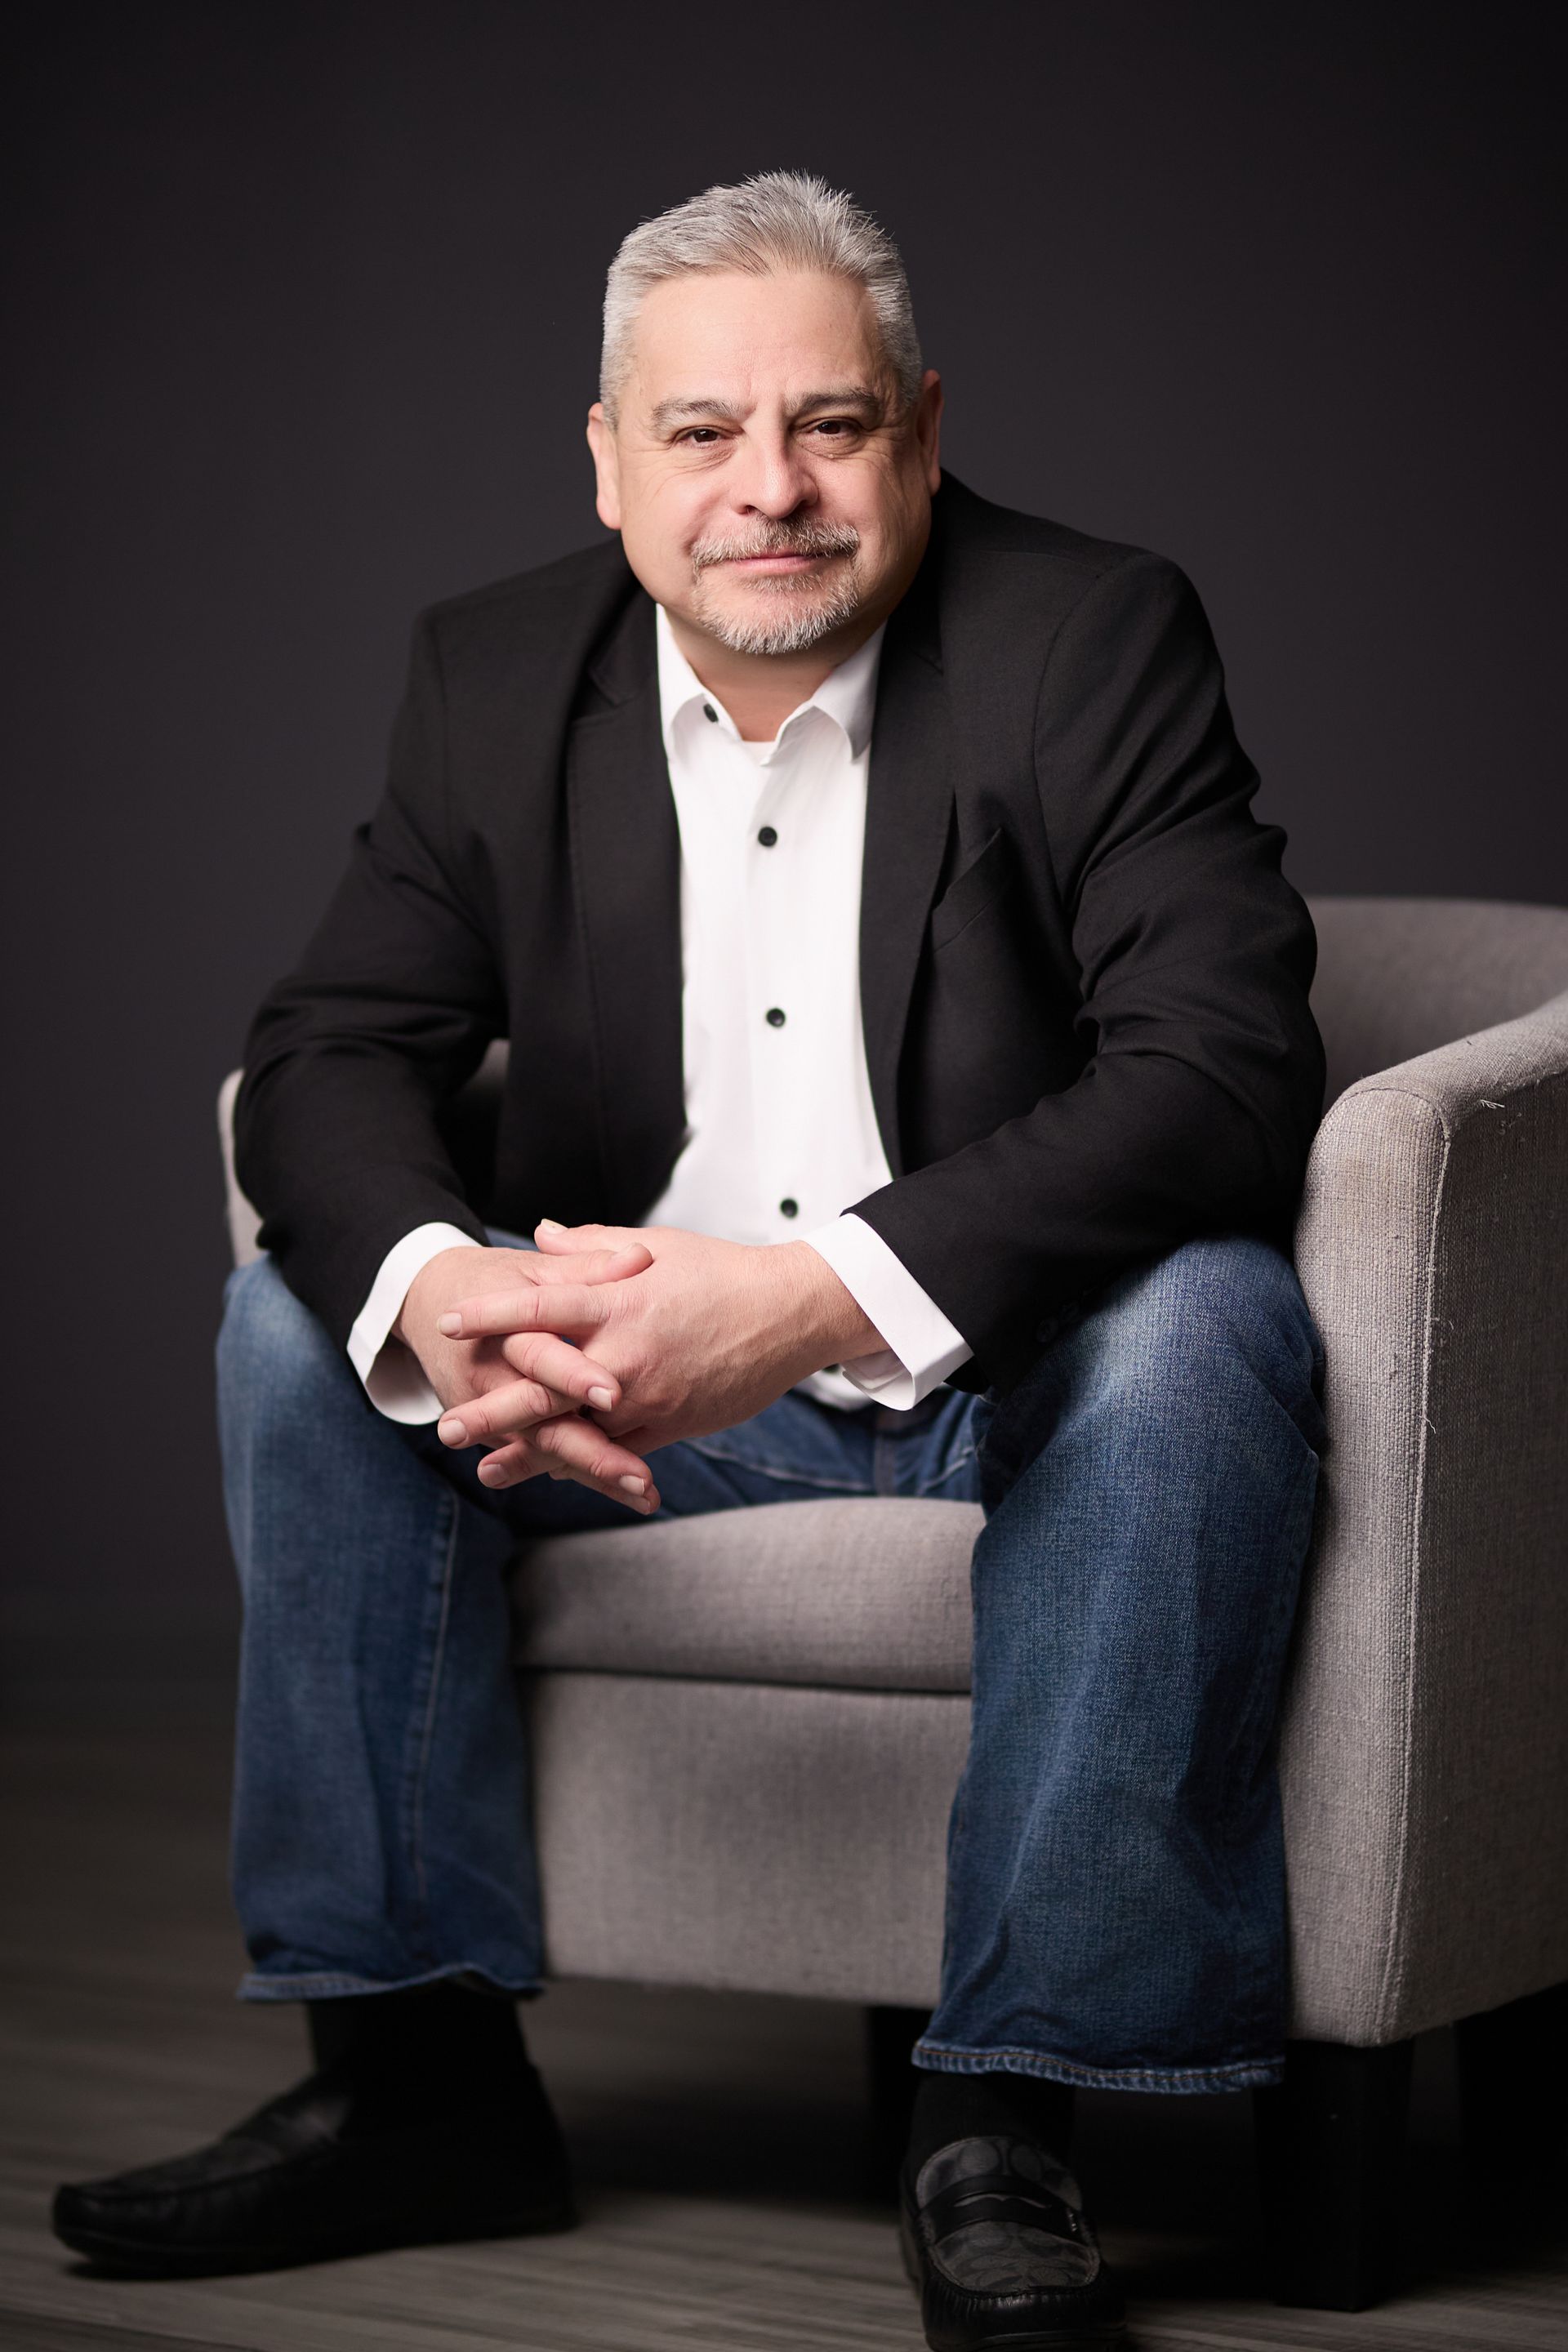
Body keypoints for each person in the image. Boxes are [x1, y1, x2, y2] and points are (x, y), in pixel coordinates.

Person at [54, 172, 1325, 2350]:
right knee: (302, 1326)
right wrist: (444, 1286)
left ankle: (1006, 2118)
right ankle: (420, 2088)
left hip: (1011, 1383)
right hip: (640, 1417)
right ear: (609, 458)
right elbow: (330, 1047)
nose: (772, 490)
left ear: (923, 430)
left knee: (1214, 1321)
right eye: (704, 432)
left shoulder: (1090, 636)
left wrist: (817, 1297)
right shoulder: (489, 673)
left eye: (831, 424)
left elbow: (1222, 1067)